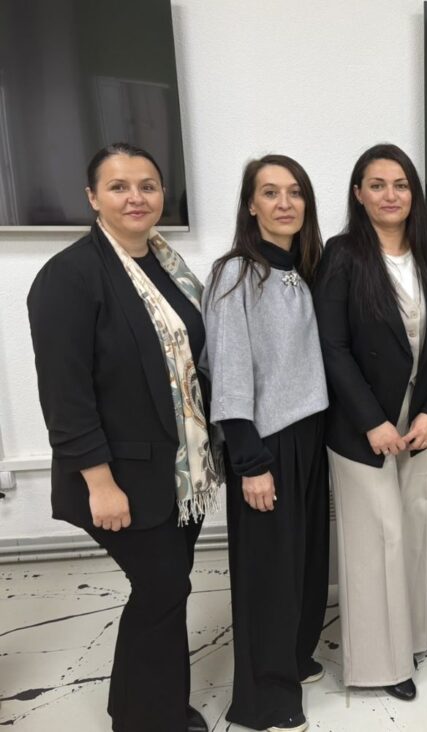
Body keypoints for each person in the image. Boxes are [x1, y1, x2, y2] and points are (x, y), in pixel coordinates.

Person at [27, 142, 220, 732]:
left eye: (147, 185)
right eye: (118, 187)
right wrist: (100, 484)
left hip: (178, 471)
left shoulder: (168, 266)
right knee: (162, 588)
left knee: (167, 591)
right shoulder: (69, 276)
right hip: (120, 475)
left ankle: (153, 706)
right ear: (93, 198)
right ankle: (145, 719)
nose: (136, 197)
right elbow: (65, 395)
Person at [314, 144, 427, 701]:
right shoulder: (342, 255)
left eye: (400, 184)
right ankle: (380, 665)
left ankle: (413, 637)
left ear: (413, 193)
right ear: (358, 194)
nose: (390, 195)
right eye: (376, 185)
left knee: (417, 527)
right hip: (363, 425)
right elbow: (331, 346)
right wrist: (371, 421)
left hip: (420, 418)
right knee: (377, 538)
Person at [203, 154, 329, 732]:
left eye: (295, 192)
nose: (285, 203)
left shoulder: (303, 270)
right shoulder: (235, 274)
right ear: (251, 205)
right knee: (268, 576)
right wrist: (249, 460)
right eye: (270, 192)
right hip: (265, 443)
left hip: (309, 436)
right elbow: (227, 372)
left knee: (303, 564)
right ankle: (263, 701)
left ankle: (295, 658)